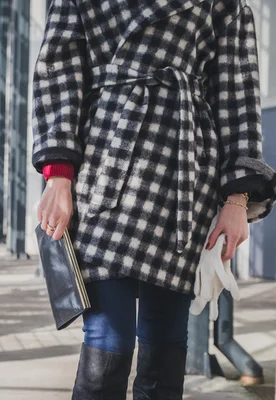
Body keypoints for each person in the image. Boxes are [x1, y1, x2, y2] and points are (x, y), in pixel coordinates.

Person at [31, 0, 276, 398]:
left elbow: (237, 92)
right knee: (109, 337)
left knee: (165, 342)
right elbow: (59, 69)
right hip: (103, 166)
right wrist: (58, 175)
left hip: (181, 175)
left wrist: (237, 199)